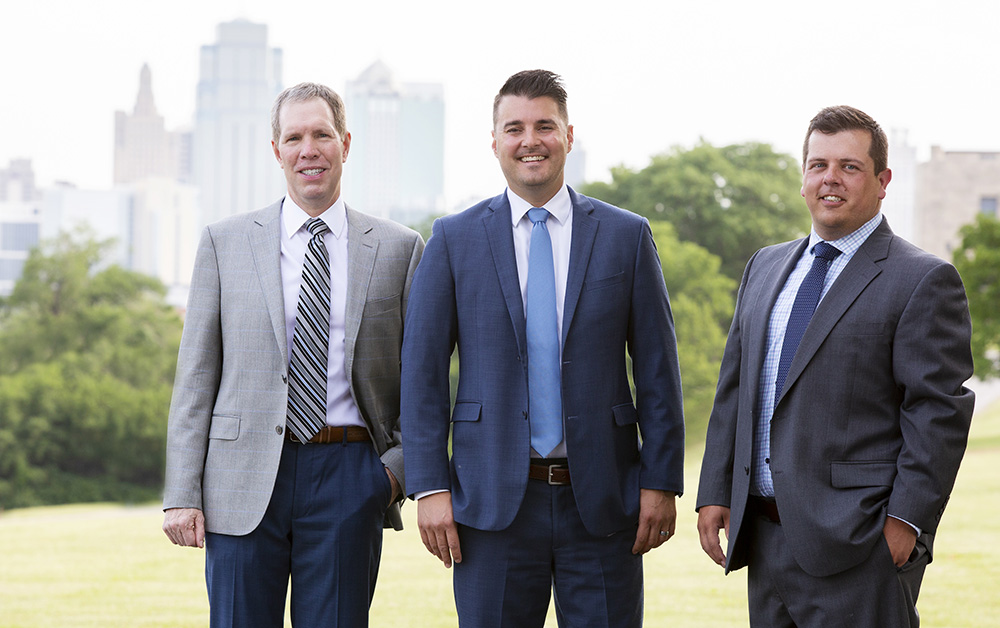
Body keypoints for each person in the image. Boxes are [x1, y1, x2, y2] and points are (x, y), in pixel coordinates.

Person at [401, 69, 685, 628]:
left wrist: (660, 480)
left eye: (544, 126)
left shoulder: (626, 235)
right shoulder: (453, 240)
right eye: (514, 128)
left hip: (604, 502)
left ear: (569, 136)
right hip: (490, 507)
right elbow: (422, 375)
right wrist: (430, 487)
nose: (530, 140)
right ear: (495, 143)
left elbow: (658, 370)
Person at [696, 105, 976, 627]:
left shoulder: (922, 279)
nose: (831, 179)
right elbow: (733, 390)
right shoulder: (765, 266)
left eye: (849, 166)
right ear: (803, 176)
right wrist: (715, 490)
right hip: (764, 540)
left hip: (859, 546)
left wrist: (905, 523)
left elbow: (938, 411)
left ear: (882, 180)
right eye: (817, 164)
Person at [161, 82, 424, 627]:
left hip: (351, 474)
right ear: (276, 149)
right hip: (240, 477)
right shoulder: (223, 242)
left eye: (322, 134)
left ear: (345, 144)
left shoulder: (400, 248)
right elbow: (195, 378)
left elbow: (423, 379)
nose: (309, 149)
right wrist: (181, 493)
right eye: (294, 137)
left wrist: (391, 476)